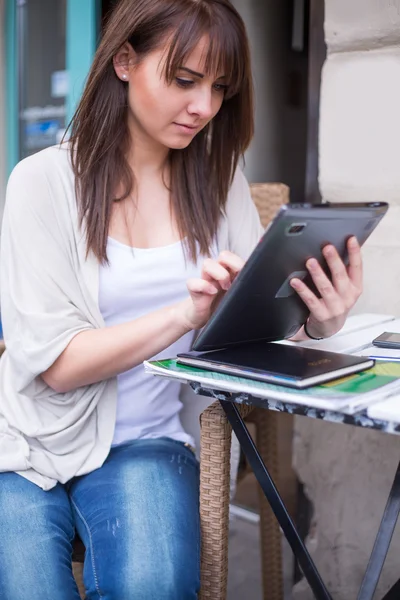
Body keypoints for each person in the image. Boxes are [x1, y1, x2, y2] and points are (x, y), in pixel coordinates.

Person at [0, 0, 363, 598]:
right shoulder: (41, 183)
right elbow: (58, 366)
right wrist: (183, 314)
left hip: (149, 444)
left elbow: (259, 323)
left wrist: (318, 319)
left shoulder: (219, 183)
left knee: (153, 584)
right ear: (124, 61)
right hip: (24, 448)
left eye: (220, 87)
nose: (204, 107)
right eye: (184, 80)